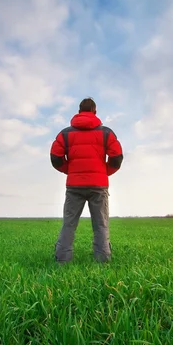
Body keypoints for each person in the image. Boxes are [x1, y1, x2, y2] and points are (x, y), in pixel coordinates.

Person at [50, 97, 123, 263]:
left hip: (74, 185)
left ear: (79, 111)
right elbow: (117, 157)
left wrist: (70, 170)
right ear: (95, 112)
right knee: (101, 225)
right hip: (99, 185)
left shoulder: (65, 134)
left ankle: (62, 260)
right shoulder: (106, 133)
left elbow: (55, 157)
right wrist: (104, 172)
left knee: (69, 224)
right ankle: (103, 261)